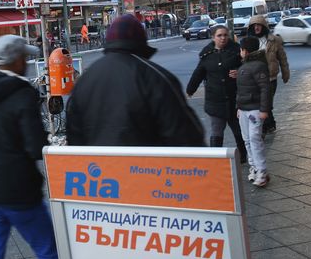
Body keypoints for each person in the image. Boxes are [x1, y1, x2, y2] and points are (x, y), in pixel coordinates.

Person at [0, 35, 58, 259]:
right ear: (16, 60)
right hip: (18, 190)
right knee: (48, 248)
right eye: (24, 57)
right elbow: (34, 146)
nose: (27, 63)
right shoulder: (22, 93)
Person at [66, 14, 205, 146]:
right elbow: (186, 136)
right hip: (146, 168)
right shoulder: (156, 78)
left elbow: (74, 137)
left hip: (98, 168)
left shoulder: (85, 80)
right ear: (141, 40)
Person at [187, 26, 248, 162]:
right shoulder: (206, 55)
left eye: (225, 35)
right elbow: (198, 73)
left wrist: (240, 71)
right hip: (215, 100)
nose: (223, 38)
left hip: (234, 99)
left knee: (238, 131)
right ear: (213, 37)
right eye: (219, 35)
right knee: (216, 131)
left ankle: (243, 156)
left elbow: (249, 67)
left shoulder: (237, 51)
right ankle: (216, 160)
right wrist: (190, 90)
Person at [237, 36, 272, 187]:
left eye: (241, 49)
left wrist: (264, 109)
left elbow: (265, 88)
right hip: (244, 109)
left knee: (254, 139)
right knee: (247, 140)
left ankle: (262, 171)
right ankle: (255, 167)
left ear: (245, 51)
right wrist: (238, 108)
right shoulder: (244, 65)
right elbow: (241, 90)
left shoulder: (258, 65)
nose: (240, 52)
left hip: (255, 110)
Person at [246, 15, 289, 136]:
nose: (256, 28)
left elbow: (282, 58)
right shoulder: (249, 41)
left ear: (264, 26)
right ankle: (269, 124)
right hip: (254, 79)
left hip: (270, 78)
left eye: (259, 25)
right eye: (254, 26)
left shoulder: (274, 40)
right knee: (262, 103)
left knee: (267, 102)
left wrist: (286, 73)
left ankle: (266, 126)